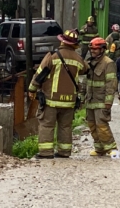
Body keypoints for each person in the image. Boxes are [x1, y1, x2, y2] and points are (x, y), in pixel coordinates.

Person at [28, 29, 88, 159]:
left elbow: (39, 74)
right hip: (70, 101)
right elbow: (86, 69)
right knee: (65, 127)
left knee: (47, 125)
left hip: (51, 100)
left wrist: (32, 89)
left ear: (62, 41)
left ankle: (46, 152)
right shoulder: (79, 59)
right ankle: (64, 152)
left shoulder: (53, 56)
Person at [80, 37, 118, 156]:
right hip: (90, 99)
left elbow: (111, 84)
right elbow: (85, 80)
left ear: (102, 49)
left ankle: (112, 148)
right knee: (92, 124)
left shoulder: (108, 63)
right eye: (92, 49)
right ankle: (99, 148)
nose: (93, 51)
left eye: (96, 49)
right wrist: (81, 96)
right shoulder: (90, 62)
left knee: (101, 124)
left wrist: (108, 101)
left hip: (102, 100)